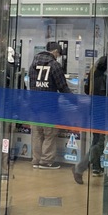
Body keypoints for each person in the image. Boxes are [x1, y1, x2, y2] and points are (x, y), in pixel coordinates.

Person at [28, 41, 70, 169]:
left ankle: (36, 160)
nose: (58, 57)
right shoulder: (54, 65)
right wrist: (75, 101)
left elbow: (31, 84)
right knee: (49, 134)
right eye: (58, 54)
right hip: (48, 106)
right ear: (55, 52)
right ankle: (46, 161)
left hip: (34, 105)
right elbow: (62, 87)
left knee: (37, 133)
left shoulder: (33, 64)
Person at [74, 55, 108, 184]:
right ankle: (81, 168)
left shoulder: (93, 73)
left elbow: (86, 89)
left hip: (94, 111)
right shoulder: (105, 77)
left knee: (97, 140)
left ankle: (96, 167)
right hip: (103, 112)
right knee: (100, 143)